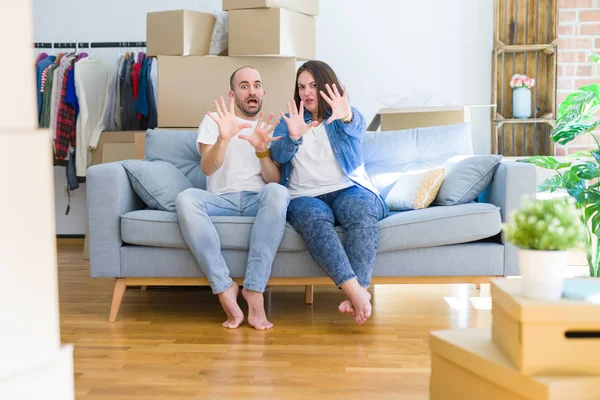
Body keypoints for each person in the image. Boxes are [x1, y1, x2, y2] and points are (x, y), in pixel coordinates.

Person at [270, 60, 388, 324]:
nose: (306, 92)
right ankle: (356, 293)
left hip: (348, 189)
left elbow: (357, 125)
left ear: (326, 85)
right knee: (313, 220)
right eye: (301, 87)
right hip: (304, 196)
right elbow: (276, 154)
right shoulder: (289, 120)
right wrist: (294, 136)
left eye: (312, 85)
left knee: (360, 209)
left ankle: (359, 291)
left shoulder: (342, 115)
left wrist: (346, 114)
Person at [176, 66, 290, 330]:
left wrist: (263, 151)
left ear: (263, 92)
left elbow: (273, 181)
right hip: (220, 201)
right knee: (185, 199)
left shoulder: (270, 128)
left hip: (256, 200)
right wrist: (224, 139)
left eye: (257, 85)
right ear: (233, 93)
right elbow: (207, 168)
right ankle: (224, 287)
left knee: (279, 192)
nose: (252, 90)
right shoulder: (216, 120)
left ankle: (254, 289)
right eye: (244, 85)